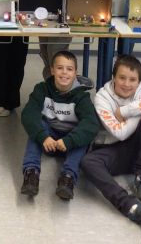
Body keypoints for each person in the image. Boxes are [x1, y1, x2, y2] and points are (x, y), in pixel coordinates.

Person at [81, 55, 141, 229]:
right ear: (114, 78)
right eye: (122, 78)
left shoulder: (140, 91)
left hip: (137, 151)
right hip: (113, 149)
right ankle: (131, 206)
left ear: (139, 82)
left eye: (132, 80)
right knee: (88, 162)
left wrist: (124, 112)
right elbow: (120, 133)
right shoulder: (102, 97)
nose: (126, 84)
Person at [20, 50, 99, 201]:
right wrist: (43, 137)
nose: (64, 73)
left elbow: (91, 124)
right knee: (36, 128)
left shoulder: (82, 97)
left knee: (83, 138)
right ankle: (31, 174)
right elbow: (28, 114)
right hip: (48, 139)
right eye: (60, 68)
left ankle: (67, 178)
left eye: (69, 69)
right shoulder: (42, 89)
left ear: (75, 73)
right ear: (52, 70)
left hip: (70, 141)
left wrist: (69, 141)